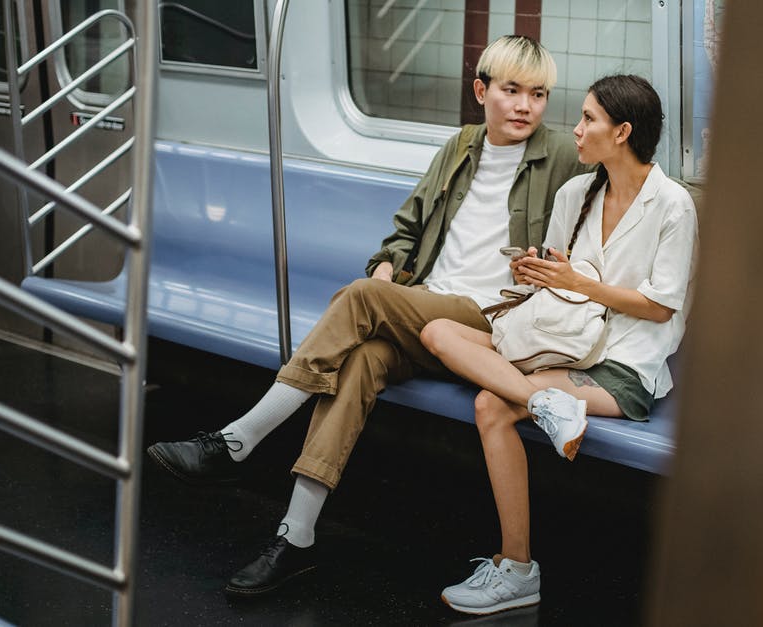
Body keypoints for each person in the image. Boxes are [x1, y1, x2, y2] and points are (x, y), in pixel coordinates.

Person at [144, 35, 590, 597]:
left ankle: (238, 440)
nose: (526, 105)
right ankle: (295, 535)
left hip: (489, 327)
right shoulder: (458, 148)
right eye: (511, 90)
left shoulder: (564, 159)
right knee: (357, 359)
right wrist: (386, 270)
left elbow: (601, 220)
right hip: (426, 310)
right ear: (481, 92)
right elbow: (403, 233)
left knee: (358, 298)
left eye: (539, 94)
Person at [419, 74, 699, 616]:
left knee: (491, 405)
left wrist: (579, 284)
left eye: (589, 119)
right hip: (560, 345)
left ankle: (518, 568)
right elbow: (556, 287)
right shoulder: (577, 193)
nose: (575, 129)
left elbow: (661, 306)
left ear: (622, 132)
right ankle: (546, 401)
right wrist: (536, 273)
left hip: (622, 363)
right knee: (436, 331)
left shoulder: (672, 205)